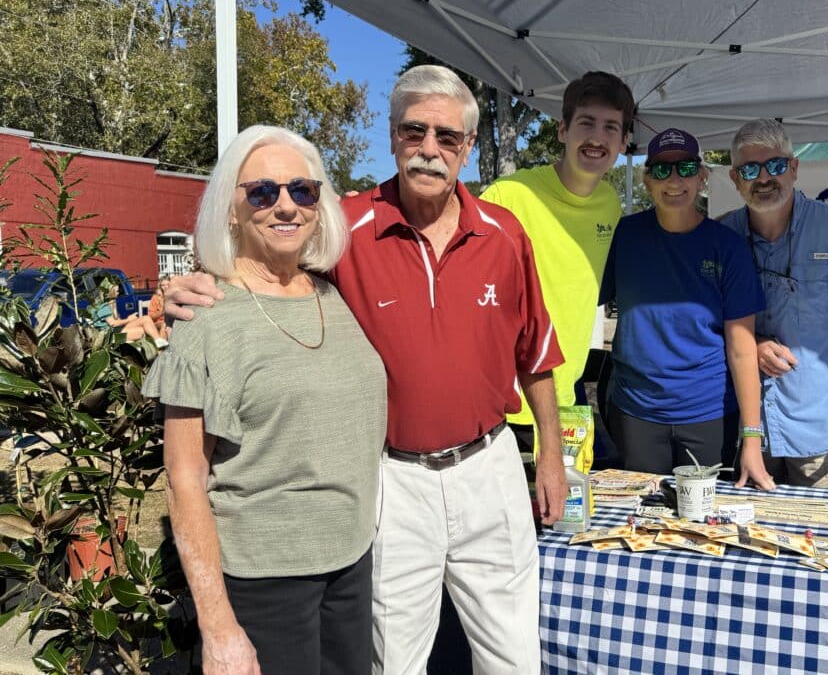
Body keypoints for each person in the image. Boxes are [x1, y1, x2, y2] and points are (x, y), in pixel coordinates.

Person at [166, 65, 567, 674]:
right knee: (393, 661)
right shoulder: (341, 228)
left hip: (490, 467)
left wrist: (552, 458)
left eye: (447, 137)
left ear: (467, 147)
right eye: (414, 131)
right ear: (392, 135)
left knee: (513, 657)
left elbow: (535, 354)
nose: (429, 149)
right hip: (393, 479)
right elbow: (263, 262)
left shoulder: (505, 235)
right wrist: (181, 287)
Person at [144, 125, 387, 674]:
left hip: (351, 564)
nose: (286, 205)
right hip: (265, 580)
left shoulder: (333, 294)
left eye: (303, 190)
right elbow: (184, 479)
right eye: (261, 192)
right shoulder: (206, 318)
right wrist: (218, 628)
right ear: (230, 210)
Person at [719, 118, 828, 490]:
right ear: (735, 179)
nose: (764, 178)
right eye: (750, 169)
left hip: (822, 432)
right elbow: (705, 321)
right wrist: (752, 344)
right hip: (746, 432)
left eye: (775, 165)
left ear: (794, 168)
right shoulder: (721, 235)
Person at [599, 127, 771, 485]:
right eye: (662, 170)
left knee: (704, 515)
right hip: (635, 411)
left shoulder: (728, 247)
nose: (674, 180)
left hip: (709, 413)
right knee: (639, 513)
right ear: (647, 180)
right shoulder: (624, 235)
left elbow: (742, 348)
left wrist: (752, 438)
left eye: (686, 168)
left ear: (702, 177)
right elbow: (581, 297)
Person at [479, 71, 633, 453]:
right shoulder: (507, 196)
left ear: (624, 142)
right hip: (503, 406)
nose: (597, 138)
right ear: (562, 130)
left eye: (610, 127)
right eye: (586, 123)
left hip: (566, 402)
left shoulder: (609, 204)